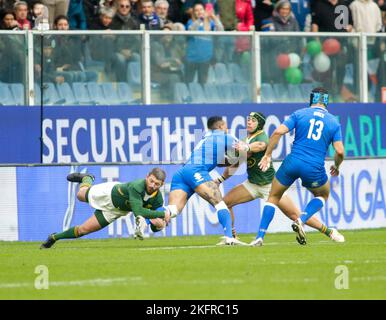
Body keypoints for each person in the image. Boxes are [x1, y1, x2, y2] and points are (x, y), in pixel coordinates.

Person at [217, 112, 345, 245]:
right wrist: (220, 179)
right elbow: (236, 164)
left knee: (295, 216)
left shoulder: (262, 137)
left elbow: (261, 146)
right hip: (252, 184)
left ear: (259, 124)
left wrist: (247, 148)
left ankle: (329, 232)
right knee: (225, 203)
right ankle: (232, 237)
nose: (249, 122)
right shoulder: (244, 140)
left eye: (253, 120)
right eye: (248, 120)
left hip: (270, 186)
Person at [250, 87, 345, 246]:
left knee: (273, 197)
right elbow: (340, 151)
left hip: (292, 162)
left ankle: (259, 237)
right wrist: (336, 165)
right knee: (323, 194)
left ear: (311, 99)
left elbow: (277, 133)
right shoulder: (333, 122)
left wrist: (267, 155)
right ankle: (301, 220)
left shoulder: (299, 114)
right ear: (326, 101)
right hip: (313, 166)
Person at [148, 116, 248, 246]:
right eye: (226, 126)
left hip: (182, 173)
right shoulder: (224, 136)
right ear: (221, 126)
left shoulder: (206, 138)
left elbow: (220, 161)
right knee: (219, 203)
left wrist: (232, 160)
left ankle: (146, 214)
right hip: (197, 170)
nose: (227, 129)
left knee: (173, 209)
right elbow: (244, 148)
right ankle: (229, 238)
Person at [40, 168, 173, 249]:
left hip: (116, 211)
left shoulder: (158, 198)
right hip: (109, 194)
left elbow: (154, 226)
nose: (153, 186)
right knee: (80, 195)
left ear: (161, 185)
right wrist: (161, 214)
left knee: (83, 231)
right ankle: (87, 178)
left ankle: (54, 237)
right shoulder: (137, 186)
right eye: (151, 181)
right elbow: (138, 212)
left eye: (157, 184)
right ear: (147, 177)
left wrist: (159, 224)